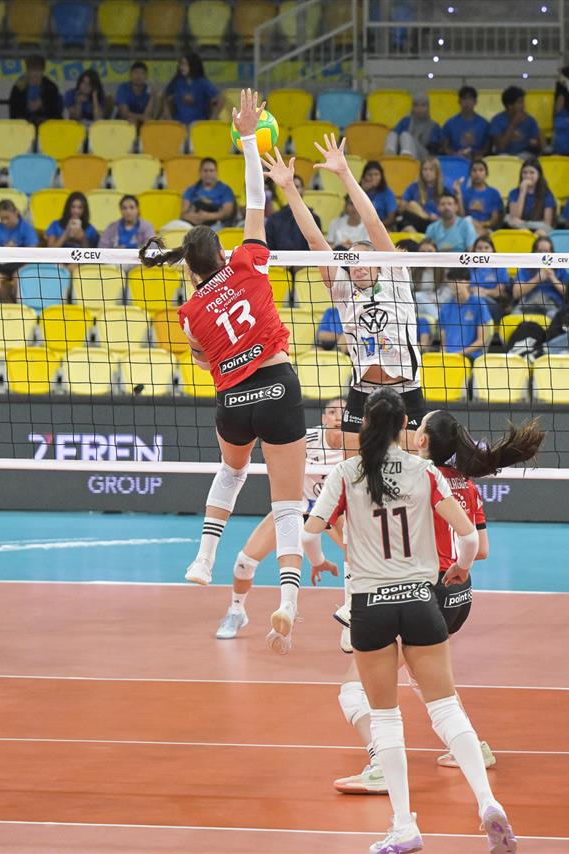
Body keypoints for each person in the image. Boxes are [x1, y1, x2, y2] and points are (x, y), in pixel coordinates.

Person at [301, 388, 517, 854]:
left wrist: (319, 562)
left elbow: (309, 534)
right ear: (405, 426)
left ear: (364, 425)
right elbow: (468, 537)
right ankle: (488, 802)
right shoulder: (426, 472)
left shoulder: (346, 472)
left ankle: (404, 826)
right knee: (446, 708)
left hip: (371, 604)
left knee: (385, 717)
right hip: (420, 598)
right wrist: (460, 569)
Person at [140, 89, 307, 655]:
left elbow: (203, 357)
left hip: (232, 399)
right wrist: (248, 141)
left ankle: (204, 557)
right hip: (277, 386)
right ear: (222, 253)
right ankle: (288, 601)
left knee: (232, 472)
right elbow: (256, 199)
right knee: (287, 506)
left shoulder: (189, 312)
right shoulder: (248, 263)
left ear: (189, 268)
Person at [327, 408, 543, 796]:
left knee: (354, 689)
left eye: (418, 427)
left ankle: (380, 765)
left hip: (421, 592)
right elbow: (481, 549)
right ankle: (473, 748)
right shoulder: (465, 483)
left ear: (423, 440)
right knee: (428, 679)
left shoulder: (417, 477)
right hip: (460, 596)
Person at [265, 133, 426, 457]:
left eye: (364, 259)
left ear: (378, 263)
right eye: (351, 261)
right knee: (354, 465)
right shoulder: (342, 289)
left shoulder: (395, 276)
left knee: (412, 464)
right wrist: (289, 188)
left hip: (405, 387)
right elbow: (314, 240)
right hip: (362, 389)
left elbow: (373, 222)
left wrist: (344, 173)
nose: (358, 266)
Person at [212, 399, 347, 640]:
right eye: (332, 412)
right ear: (324, 418)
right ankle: (236, 610)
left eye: (343, 412)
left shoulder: (356, 445)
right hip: (295, 507)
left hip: (333, 512)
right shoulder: (307, 439)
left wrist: (318, 558)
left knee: (359, 560)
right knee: (244, 562)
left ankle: (354, 617)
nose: (338, 417)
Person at [0, 199, 39, 302]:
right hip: (1, 267)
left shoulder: (27, 229)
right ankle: (10, 304)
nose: (4, 221)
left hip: (21, 266)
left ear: (15, 213)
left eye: (7, 218)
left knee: (20, 276)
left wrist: (15, 251)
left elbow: (33, 252)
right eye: (2, 218)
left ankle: (21, 306)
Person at [437, 271, 493, 359]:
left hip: (469, 356)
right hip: (448, 358)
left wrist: (458, 354)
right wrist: (443, 354)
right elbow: (443, 343)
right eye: (453, 281)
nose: (456, 284)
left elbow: (481, 341)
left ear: (468, 282)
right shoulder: (445, 307)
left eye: (460, 280)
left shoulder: (478, 304)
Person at [172, 157, 237, 231]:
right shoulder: (191, 190)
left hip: (217, 224)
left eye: (211, 171)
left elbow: (227, 213)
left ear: (216, 173)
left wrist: (206, 216)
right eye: (205, 171)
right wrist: (196, 217)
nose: (208, 174)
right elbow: (183, 214)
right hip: (193, 224)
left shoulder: (225, 190)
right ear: (200, 172)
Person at [161, 53, 220, 125]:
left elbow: (221, 98)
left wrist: (212, 120)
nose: (181, 67)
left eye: (184, 64)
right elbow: (165, 94)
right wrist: (168, 116)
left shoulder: (203, 83)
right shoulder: (177, 82)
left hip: (197, 125)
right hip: (179, 125)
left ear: (193, 65)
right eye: (181, 64)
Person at [510, 235, 564, 314]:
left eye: (546, 251)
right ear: (534, 252)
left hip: (552, 306)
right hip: (528, 305)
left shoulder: (559, 268)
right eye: (539, 251)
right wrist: (537, 279)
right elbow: (516, 293)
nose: (543, 254)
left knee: (553, 315)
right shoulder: (526, 269)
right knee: (515, 314)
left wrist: (553, 279)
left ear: (552, 253)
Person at [265, 175, 322, 251]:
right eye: (291, 187)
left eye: (297, 186)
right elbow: (270, 249)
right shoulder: (273, 220)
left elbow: (317, 248)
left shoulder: (314, 219)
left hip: (306, 258)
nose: (294, 190)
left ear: (303, 189)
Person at [504, 159, 556, 235]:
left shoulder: (547, 194)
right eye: (525, 173)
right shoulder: (514, 193)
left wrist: (526, 224)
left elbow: (547, 224)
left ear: (539, 175)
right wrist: (522, 192)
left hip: (539, 230)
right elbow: (515, 218)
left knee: (541, 232)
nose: (528, 176)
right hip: (519, 229)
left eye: (532, 173)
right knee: (514, 223)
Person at [489, 85, 541, 158]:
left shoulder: (530, 120)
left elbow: (538, 145)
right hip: (504, 156)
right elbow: (500, 147)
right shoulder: (497, 120)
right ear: (510, 106)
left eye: (523, 102)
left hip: (525, 155)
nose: (523, 106)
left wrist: (535, 142)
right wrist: (512, 124)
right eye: (520, 102)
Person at [455, 159, 504, 235]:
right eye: (474, 170)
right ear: (470, 174)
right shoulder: (464, 193)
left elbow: (494, 220)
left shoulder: (493, 193)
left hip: (486, 229)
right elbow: (461, 217)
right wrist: (458, 194)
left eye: (481, 170)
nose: (477, 173)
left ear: (486, 174)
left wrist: (480, 224)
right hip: (467, 228)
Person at [8, 55, 61, 124]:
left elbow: (56, 113)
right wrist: (25, 107)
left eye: (38, 70)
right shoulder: (18, 87)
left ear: (43, 71)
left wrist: (43, 105)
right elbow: (13, 113)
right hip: (24, 124)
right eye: (32, 70)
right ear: (27, 70)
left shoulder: (51, 87)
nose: (35, 73)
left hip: (45, 123)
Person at [466, 235, 511, 317]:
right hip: (472, 301)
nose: (483, 251)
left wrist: (484, 292)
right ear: (474, 251)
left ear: (492, 250)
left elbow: (499, 291)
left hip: (494, 302)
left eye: (486, 248)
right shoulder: (469, 267)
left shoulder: (500, 266)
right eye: (479, 248)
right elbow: (467, 288)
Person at [441, 86, 492, 159]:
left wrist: (474, 155)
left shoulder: (484, 124)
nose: (467, 102)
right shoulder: (449, 124)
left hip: (477, 160)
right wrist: (456, 154)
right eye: (464, 99)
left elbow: (487, 148)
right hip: (456, 160)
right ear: (459, 101)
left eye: (470, 99)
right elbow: (445, 147)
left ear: (475, 102)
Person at [400, 157, 448, 233]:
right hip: (416, 220)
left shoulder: (444, 190)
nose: (427, 172)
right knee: (411, 207)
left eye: (431, 169)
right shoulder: (413, 187)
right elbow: (402, 208)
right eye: (425, 169)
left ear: (437, 172)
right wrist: (425, 215)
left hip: (435, 224)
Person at [386, 94, 441, 159]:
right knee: (393, 134)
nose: (419, 109)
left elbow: (433, 150)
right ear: (412, 108)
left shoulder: (434, 126)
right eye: (416, 105)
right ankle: (389, 157)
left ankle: (407, 157)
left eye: (423, 105)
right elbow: (395, 135)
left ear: (428, 107)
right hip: (401, 151)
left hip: (423, 156)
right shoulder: (405, 121)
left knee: (405, 135)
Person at [360, 160, 400, 230]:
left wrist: (374, 227)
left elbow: (391, 219)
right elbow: (347, 212)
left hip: (382, 228)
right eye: (369, 175)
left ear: (381, 176)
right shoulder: (358, 189)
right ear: (364, 176)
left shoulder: (387, 192)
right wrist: (362, 191)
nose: (373, 178)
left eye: (376, 174)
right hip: (358, 228)